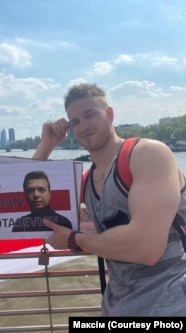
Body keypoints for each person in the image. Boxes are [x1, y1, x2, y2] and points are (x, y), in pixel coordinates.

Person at [32, 82, 186, 316]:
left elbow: (147, 248)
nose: (83, 126)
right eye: (75, 122)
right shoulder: (86, 182)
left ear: (110, 114)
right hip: (117, 306)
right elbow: (27, 203)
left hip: (170, 304)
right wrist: (46, 145)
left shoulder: (147, 155)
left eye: (89, 115)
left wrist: (74, 239)